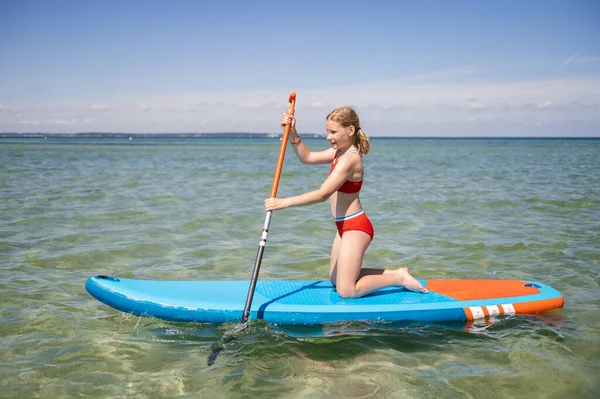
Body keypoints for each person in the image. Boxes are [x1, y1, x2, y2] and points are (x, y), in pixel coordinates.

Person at [264, 106, 428, 298]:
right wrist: (293, 132)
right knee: (336, 280)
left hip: (356, 227)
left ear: (350, 130)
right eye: (327, 131)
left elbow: (323, 194)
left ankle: (398, 279)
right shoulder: (338, 153)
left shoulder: (350, 159)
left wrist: (283, 203)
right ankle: (396, 272)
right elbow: (306, 157)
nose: (328, 136)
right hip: (342, 226)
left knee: (346, 290)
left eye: (333, 132)